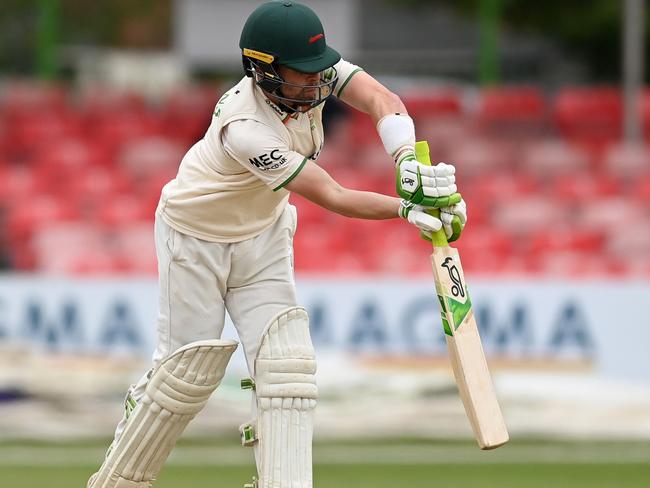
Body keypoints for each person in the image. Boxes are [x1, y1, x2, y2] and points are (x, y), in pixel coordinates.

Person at [87, 1, 467, 487]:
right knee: (183, 377)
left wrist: (405, 161)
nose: (315, 84)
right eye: (300, 75)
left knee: (288, 368)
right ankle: (116, 481)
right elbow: (331, 193)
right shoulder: (245, 129)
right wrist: (404, 209)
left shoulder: (317, 73)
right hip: (196, 237)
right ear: (261, 70)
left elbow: (383, 99)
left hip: (263, 235)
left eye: (318, 72)